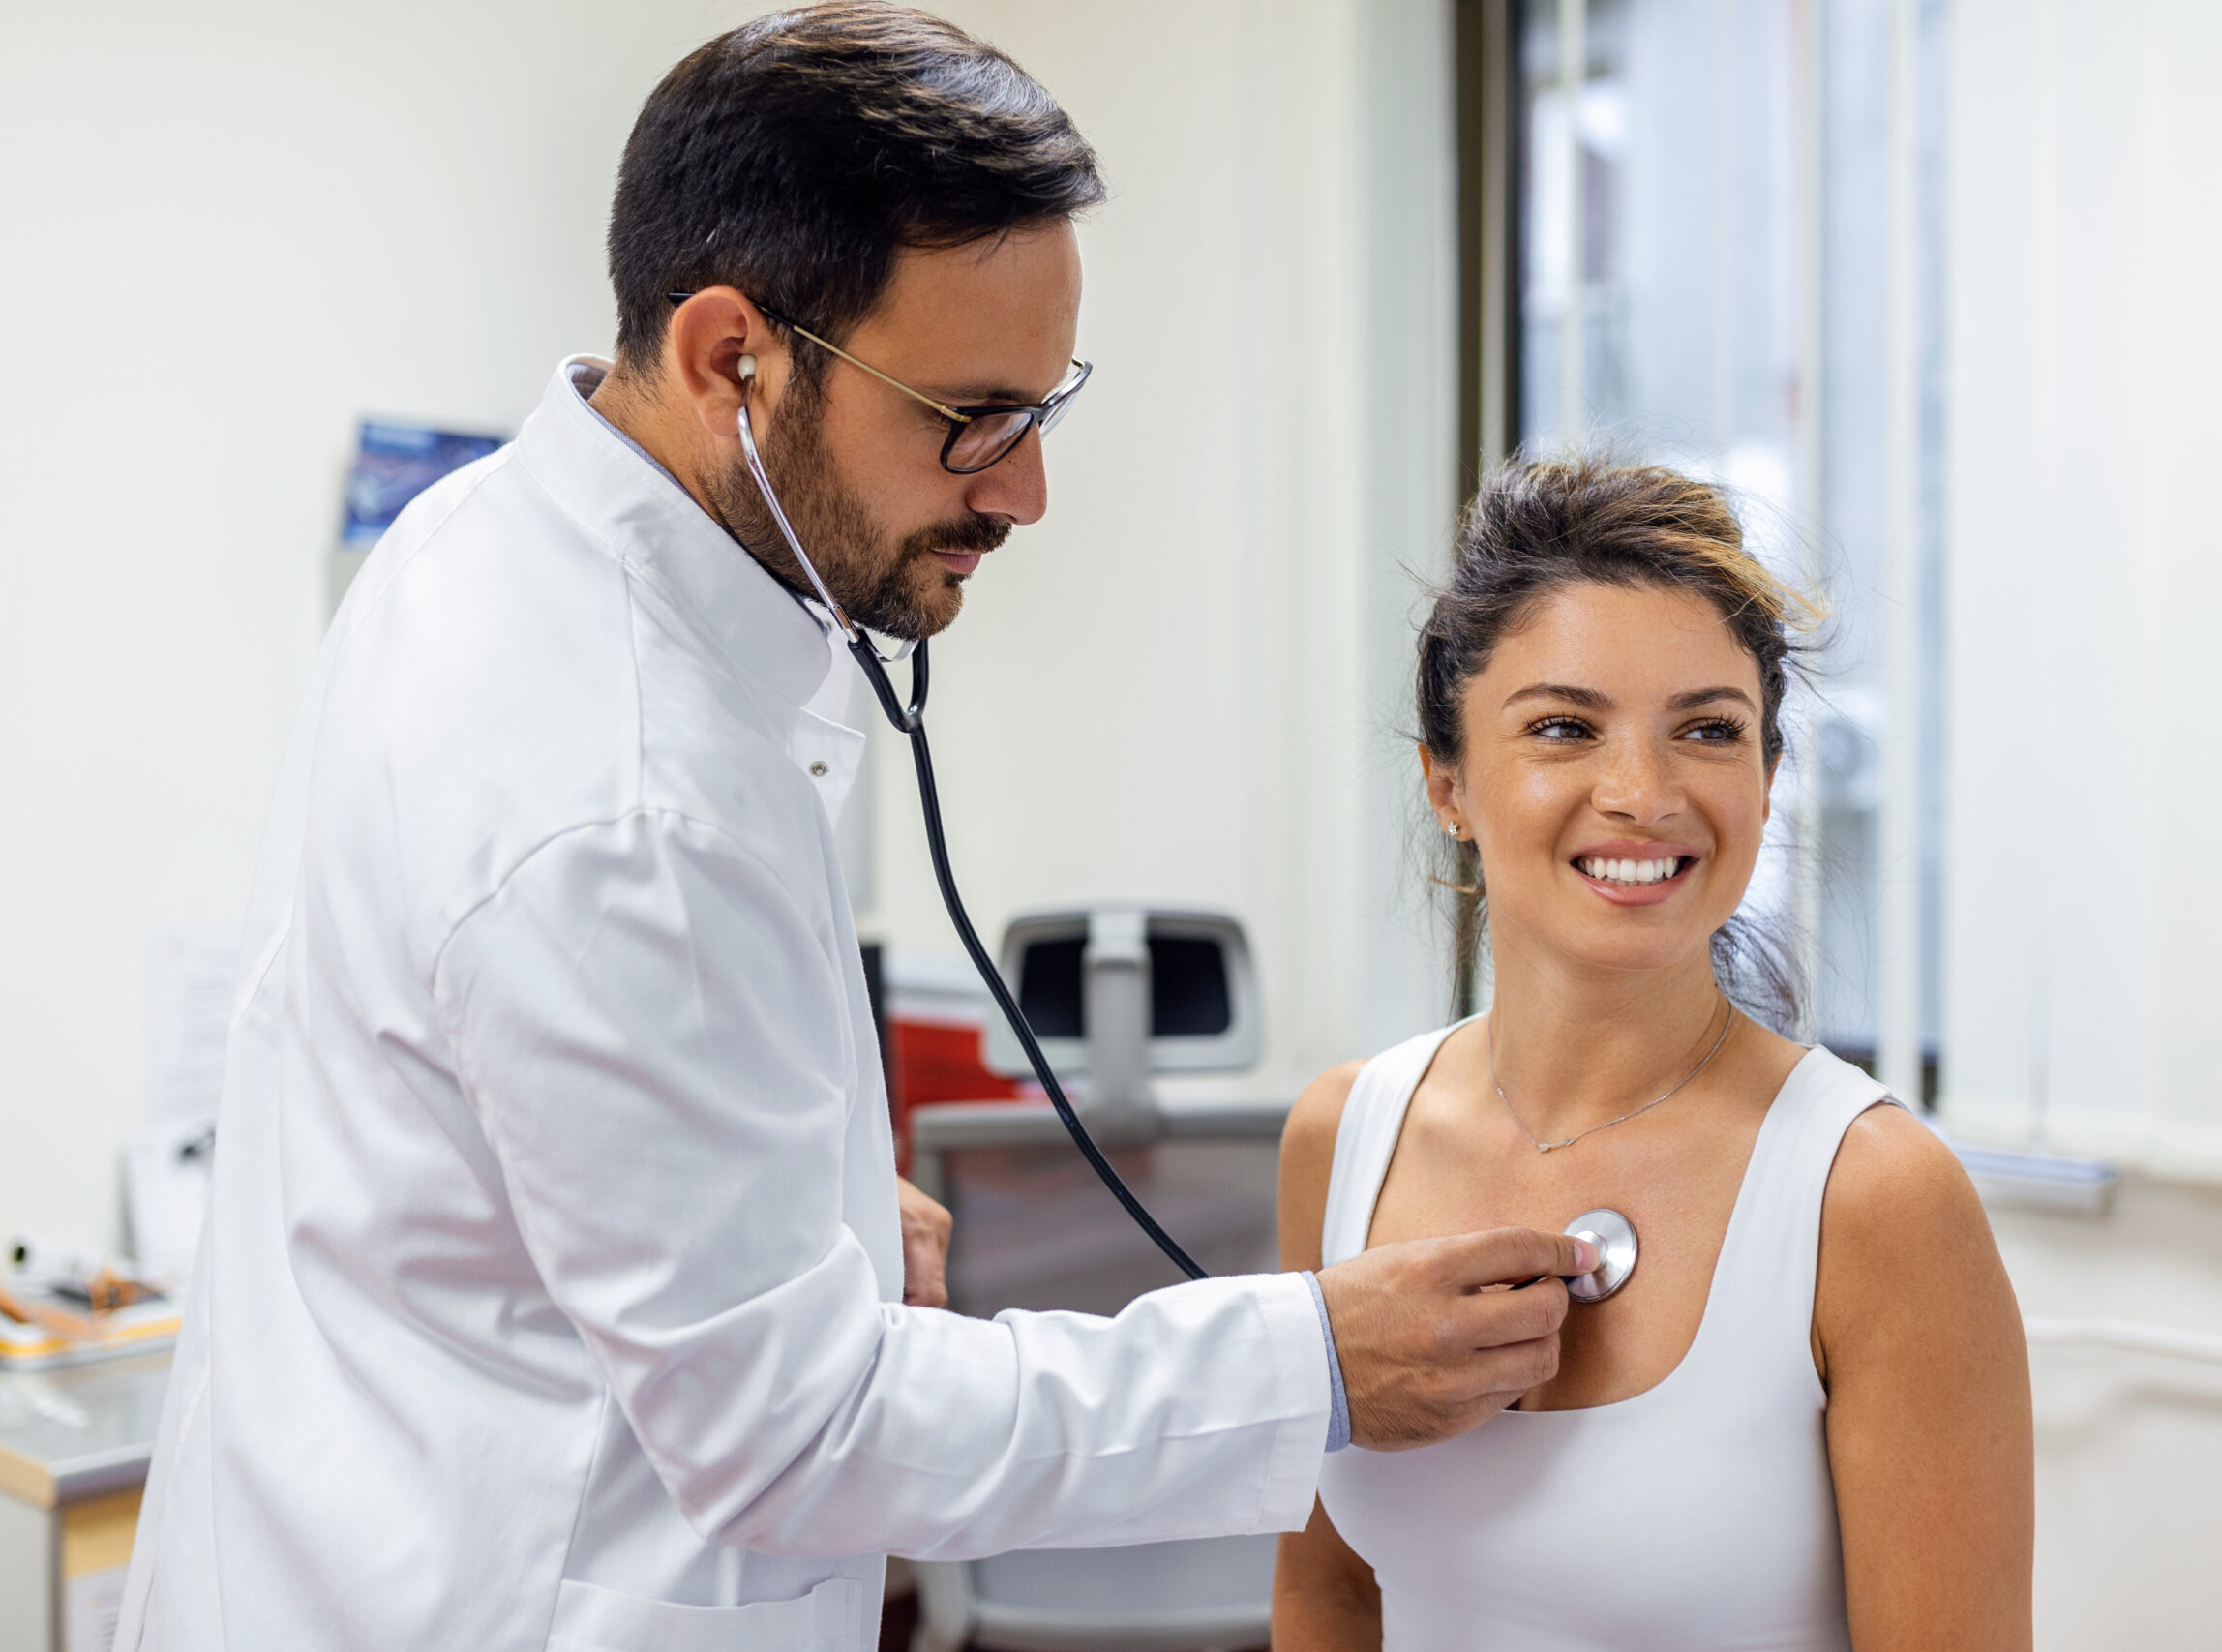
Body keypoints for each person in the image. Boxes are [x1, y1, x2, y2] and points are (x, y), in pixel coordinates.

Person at [114, 10, 1595, 1649]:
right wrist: (1319, 1363)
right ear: (727, 358)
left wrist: (778, 1192)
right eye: (970, 414)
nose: (1025, 491)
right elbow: (796, 1431)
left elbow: (465, 1088)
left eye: (1046, 405)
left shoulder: (474, 537)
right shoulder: (620, 789)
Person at [1271, 459, 2035, 1650]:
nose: (1641, 792)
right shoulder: (1342, 1138)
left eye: (1708, 731)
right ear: (1447, 782)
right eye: (1564, 729)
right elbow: (1330, 1595)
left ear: (1767, 780)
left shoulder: (1871, 1198)